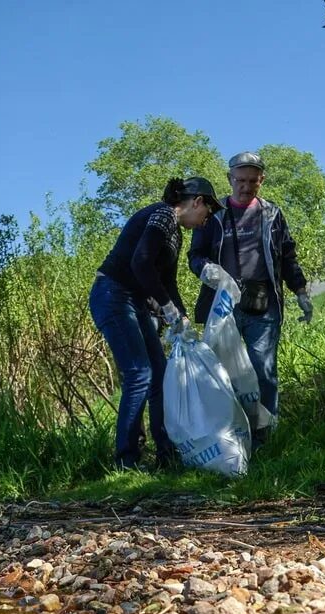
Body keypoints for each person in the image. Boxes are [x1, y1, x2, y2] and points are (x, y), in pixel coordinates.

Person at [89, 176, 222, 469]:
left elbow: (167, 283)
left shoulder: (176, 233)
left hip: (132, 300)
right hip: (112, 294)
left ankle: (166, 455)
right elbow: (141, 262)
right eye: (207, 213)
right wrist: (167, 308)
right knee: (139, 373)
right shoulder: (163, 215)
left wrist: (182, 316)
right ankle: (126, 459)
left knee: (160, 375)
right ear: (196, 202)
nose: (206, 220)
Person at [188, 151, 312, 447]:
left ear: (262, 180)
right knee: (222, 374)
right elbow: (195, 256)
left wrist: (301, 292)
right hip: (222, 305)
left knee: (263, 369)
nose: (245, 186)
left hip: (264, 303)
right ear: (230, 179)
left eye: (252, 181)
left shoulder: (272, 214)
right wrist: (208, 271)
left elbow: (288, 256)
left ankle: (266, 439)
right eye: (240, 180)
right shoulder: (213, 215)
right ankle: (228, 438)